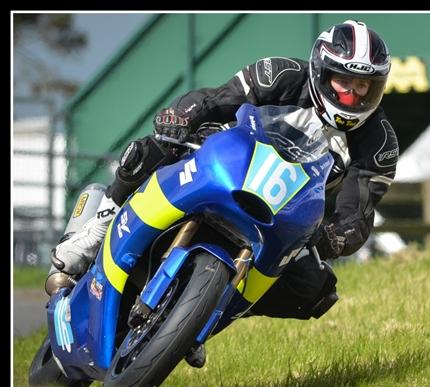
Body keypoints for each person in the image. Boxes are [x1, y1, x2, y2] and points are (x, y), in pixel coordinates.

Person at [50, 19, 398, 367]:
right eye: (344, 80)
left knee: (314, 290)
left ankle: (198, 318)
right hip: (226, 160)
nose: (353, 94)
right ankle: (101, 220)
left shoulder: (379, 143)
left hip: (283, 212)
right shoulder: (280, 74)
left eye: (365, 85)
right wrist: (180, 117)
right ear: (322, 71)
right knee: (152, 149)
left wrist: (336, 237)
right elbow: (214, 100)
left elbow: (358, 213)